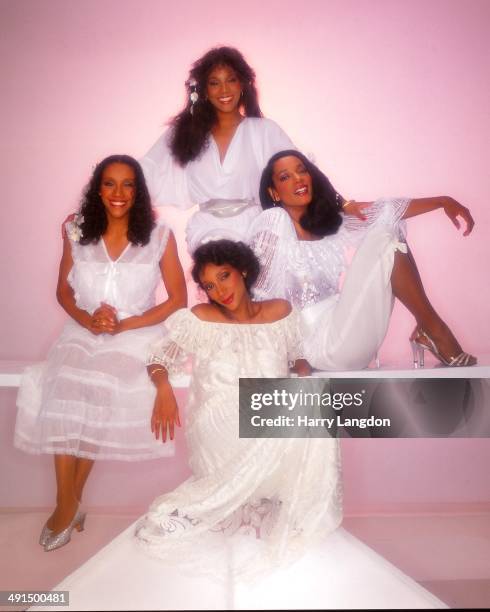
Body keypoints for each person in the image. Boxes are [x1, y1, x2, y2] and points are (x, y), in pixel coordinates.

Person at [135, 240, 342, 579]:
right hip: (218, 421)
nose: (219, 291)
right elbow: (158, 358)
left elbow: (297, 357)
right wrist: (163, 388)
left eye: (225, 276)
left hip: (266, 413)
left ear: (243, 270)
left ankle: (278, 499)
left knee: (316, 401)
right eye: (210, 286)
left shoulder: (280, 313)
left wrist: (303, 372)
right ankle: (256, 499)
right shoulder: (201, 317)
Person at [14, 155, 187, 551]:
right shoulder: (76, 230)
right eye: (109, 184)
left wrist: (123, 324)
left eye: (128, 185)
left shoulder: (159, 235)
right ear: (97, 188)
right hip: (82, 327)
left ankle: (69, 502)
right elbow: (63, 292)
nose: (118, 193)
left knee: (99, 387)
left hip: (136, 332)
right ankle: (66, 501)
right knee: (64, 385)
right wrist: (88, 319)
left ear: (138, 191)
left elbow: (178, 299)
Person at [248, 150, 476, 370]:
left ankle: (429, 329)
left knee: (388, 230)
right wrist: (290, 356)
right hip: (319, 348)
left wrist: (442, 201)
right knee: (385, 235)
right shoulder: (274, 222)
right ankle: (433, 328)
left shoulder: (329, 225)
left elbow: (382, 211)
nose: (298, 179)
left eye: (302, 171)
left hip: (348, 327)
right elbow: (261, 296)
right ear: (274, 193)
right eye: (286, 177)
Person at [140, 46, 295, 253]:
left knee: (251, 280)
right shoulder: (185, 133)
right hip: (205, 231)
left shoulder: (264, 130)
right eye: (214, 83)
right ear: (203, 90)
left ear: (242, 83)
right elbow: (145, 171)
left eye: (231, 80)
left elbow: (301, 174)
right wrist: (101, 194)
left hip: (256, 229)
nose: (224, 90)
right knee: (220, 274)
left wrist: (343, 204)